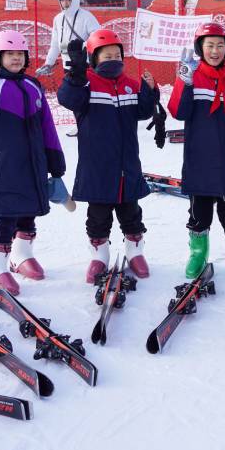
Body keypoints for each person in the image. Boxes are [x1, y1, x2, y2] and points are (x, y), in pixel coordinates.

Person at [0, 30, 65, 296]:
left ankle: (21, 254)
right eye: (9, 54)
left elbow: (47, 125)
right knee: (4, 216)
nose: (16, 58)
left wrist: (54, 160)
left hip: (33, 164)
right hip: (2, 168)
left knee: (28, 212)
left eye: (20, 54)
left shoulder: (32, 86)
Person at [57, 29, 157, 284]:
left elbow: (143, 112)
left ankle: (135, 253)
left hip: (127, 166)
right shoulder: (86, 84)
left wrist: (149, 91)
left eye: (117, 55)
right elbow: (68, 99)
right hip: (98, 167)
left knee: (131, 214)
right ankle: (99, 256)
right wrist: (75, 76)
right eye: (106, 56)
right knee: (98, 217)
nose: (113, 60)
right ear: (93, 59)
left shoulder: (129, 84)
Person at [170, 22, 225, 281]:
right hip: (200, 160)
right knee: (199, 214)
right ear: (200, 48)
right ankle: (198, 253)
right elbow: (178, 111)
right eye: (209, 45)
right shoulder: (192, 77)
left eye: (220, 45)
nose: (215, 50)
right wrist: (184, 82)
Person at [36, 0, 100, 77]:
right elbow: (55, 44)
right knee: (69, 85)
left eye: (68, 0)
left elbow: (97, 37)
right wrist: (48, 63)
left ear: (74, 0)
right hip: (67, 65)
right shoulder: (58, 19)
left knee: (85, 86)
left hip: (85, 64)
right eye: (62, 0)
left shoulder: (87, 17)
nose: (65, 3)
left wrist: (81, 47)